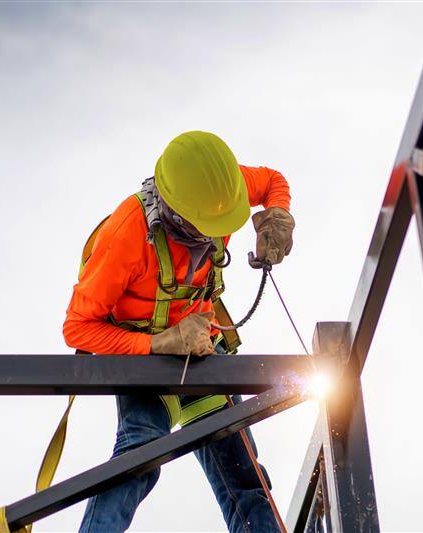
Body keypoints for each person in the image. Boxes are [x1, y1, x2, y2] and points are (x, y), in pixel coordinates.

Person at [63, 130, 295, 532]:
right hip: (144, 361)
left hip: (203, 353)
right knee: (139, 458)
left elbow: (274, 180)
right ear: (179, 212)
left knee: (246, 483)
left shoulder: (221, 190)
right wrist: (159, 342)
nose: (216, 233)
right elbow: (78, 328)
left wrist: (277, 216)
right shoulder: (125, 236)